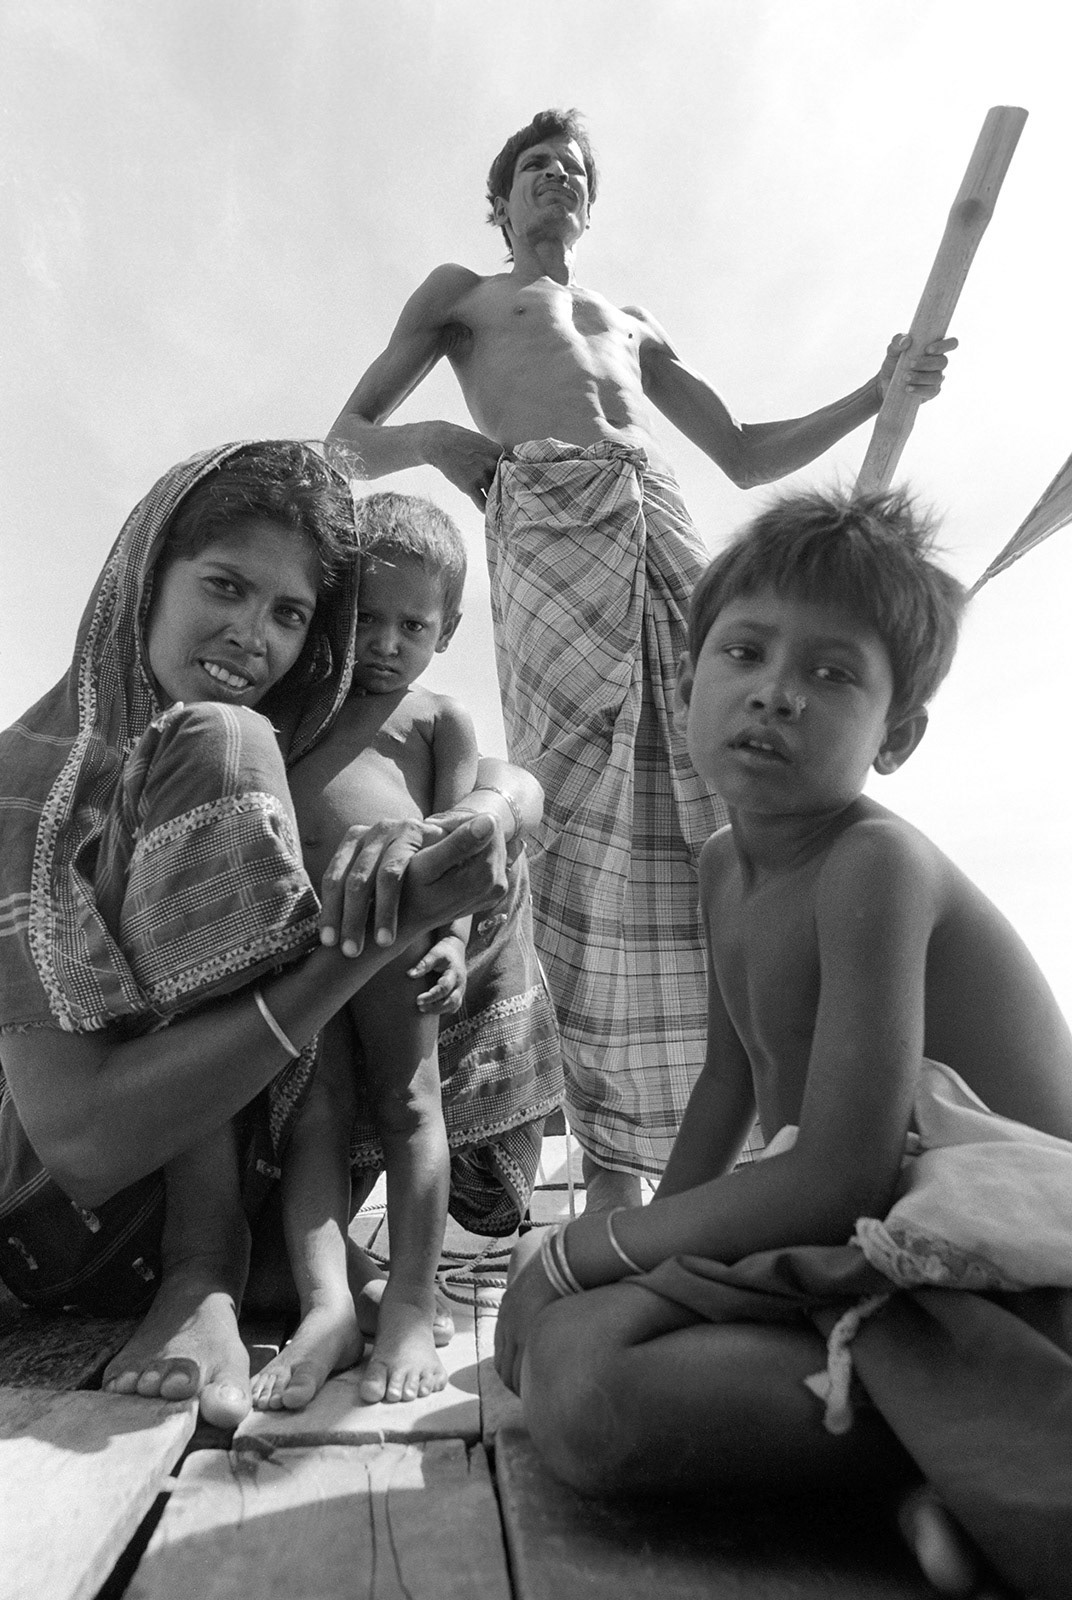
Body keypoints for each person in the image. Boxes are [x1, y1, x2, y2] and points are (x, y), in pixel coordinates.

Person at [326, 107, 956, 1211]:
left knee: (735, 783)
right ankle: (609, 1160)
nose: (556, 178)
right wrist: (430, 441)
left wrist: (878, 389)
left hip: (656, 519)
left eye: (573, 167)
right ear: (504, 197)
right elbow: (345, 439)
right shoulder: (463, 296)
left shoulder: (629, 319)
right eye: (535, 167)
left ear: (589, 199)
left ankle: (790, 1105)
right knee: (575, 823)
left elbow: (745, 451)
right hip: (545, 525)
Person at [493, 488, 1072, 1600]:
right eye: (745, 651)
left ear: (894, 735)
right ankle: (932, 1473)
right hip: (863, 1221)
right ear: (692, 673)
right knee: (549, 1341)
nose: (775, 692)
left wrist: (586, 1256)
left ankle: (979, 1462)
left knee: (584, 1383)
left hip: (1004, 1256)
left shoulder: (874, 863)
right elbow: (728, 1081)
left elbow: (840, 1168)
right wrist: (636, 1243)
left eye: (832, 674)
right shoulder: (723, 864)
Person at [0, 441, 555, 1429]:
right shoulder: (37, 778)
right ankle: (201, 1271)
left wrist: (475, 824)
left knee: (459, 843)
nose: (252, 635)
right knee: (228, 743)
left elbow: (512, 780)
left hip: (245, 1150)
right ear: (143, 576)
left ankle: (314, 1273)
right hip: (59, 1207)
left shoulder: (321, 724)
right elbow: (81, 1142)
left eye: (289, 613)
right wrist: (369, 945)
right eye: (223, 585)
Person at [251, 491, 481, 1410]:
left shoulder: (436, 720)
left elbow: (466, 844)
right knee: (313, 1112)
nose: (386, 642)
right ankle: (328, 1308)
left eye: (412, 625)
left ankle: (413, 1304)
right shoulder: (294, 699)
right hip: (295, 939)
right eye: (366, 618)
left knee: (409, 1105)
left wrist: (458, 943)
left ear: (448, 629)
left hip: (396, 935)